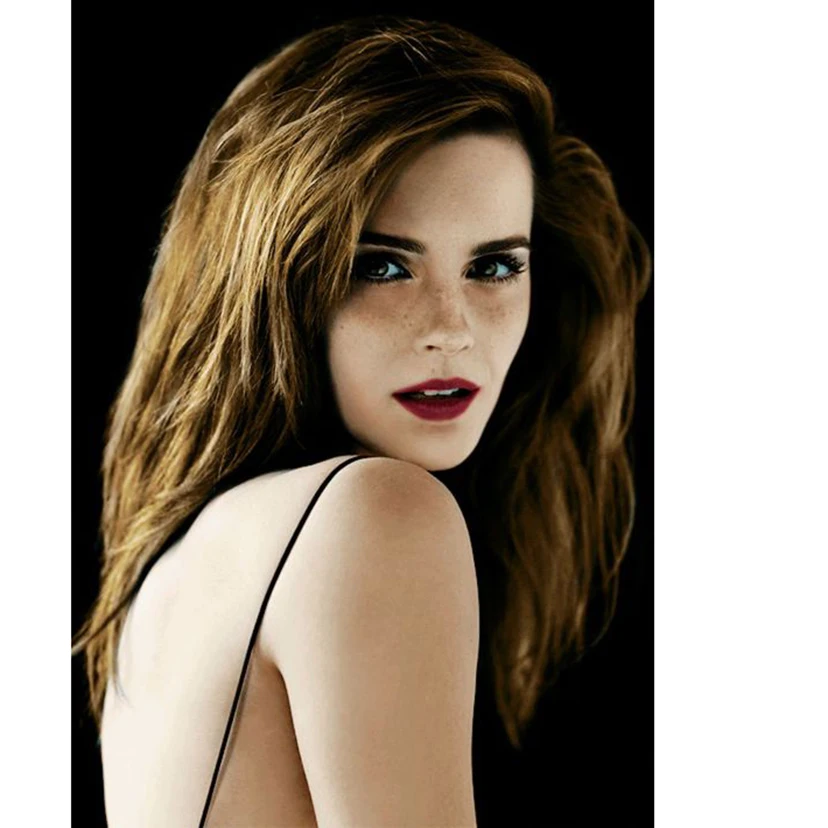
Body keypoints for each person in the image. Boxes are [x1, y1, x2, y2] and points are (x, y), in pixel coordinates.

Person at [72, 14, 651, 827]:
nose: (452, 327)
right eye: (381, 265)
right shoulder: (373, 513)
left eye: (494, 265)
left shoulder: (183, 563)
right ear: (272, 276)